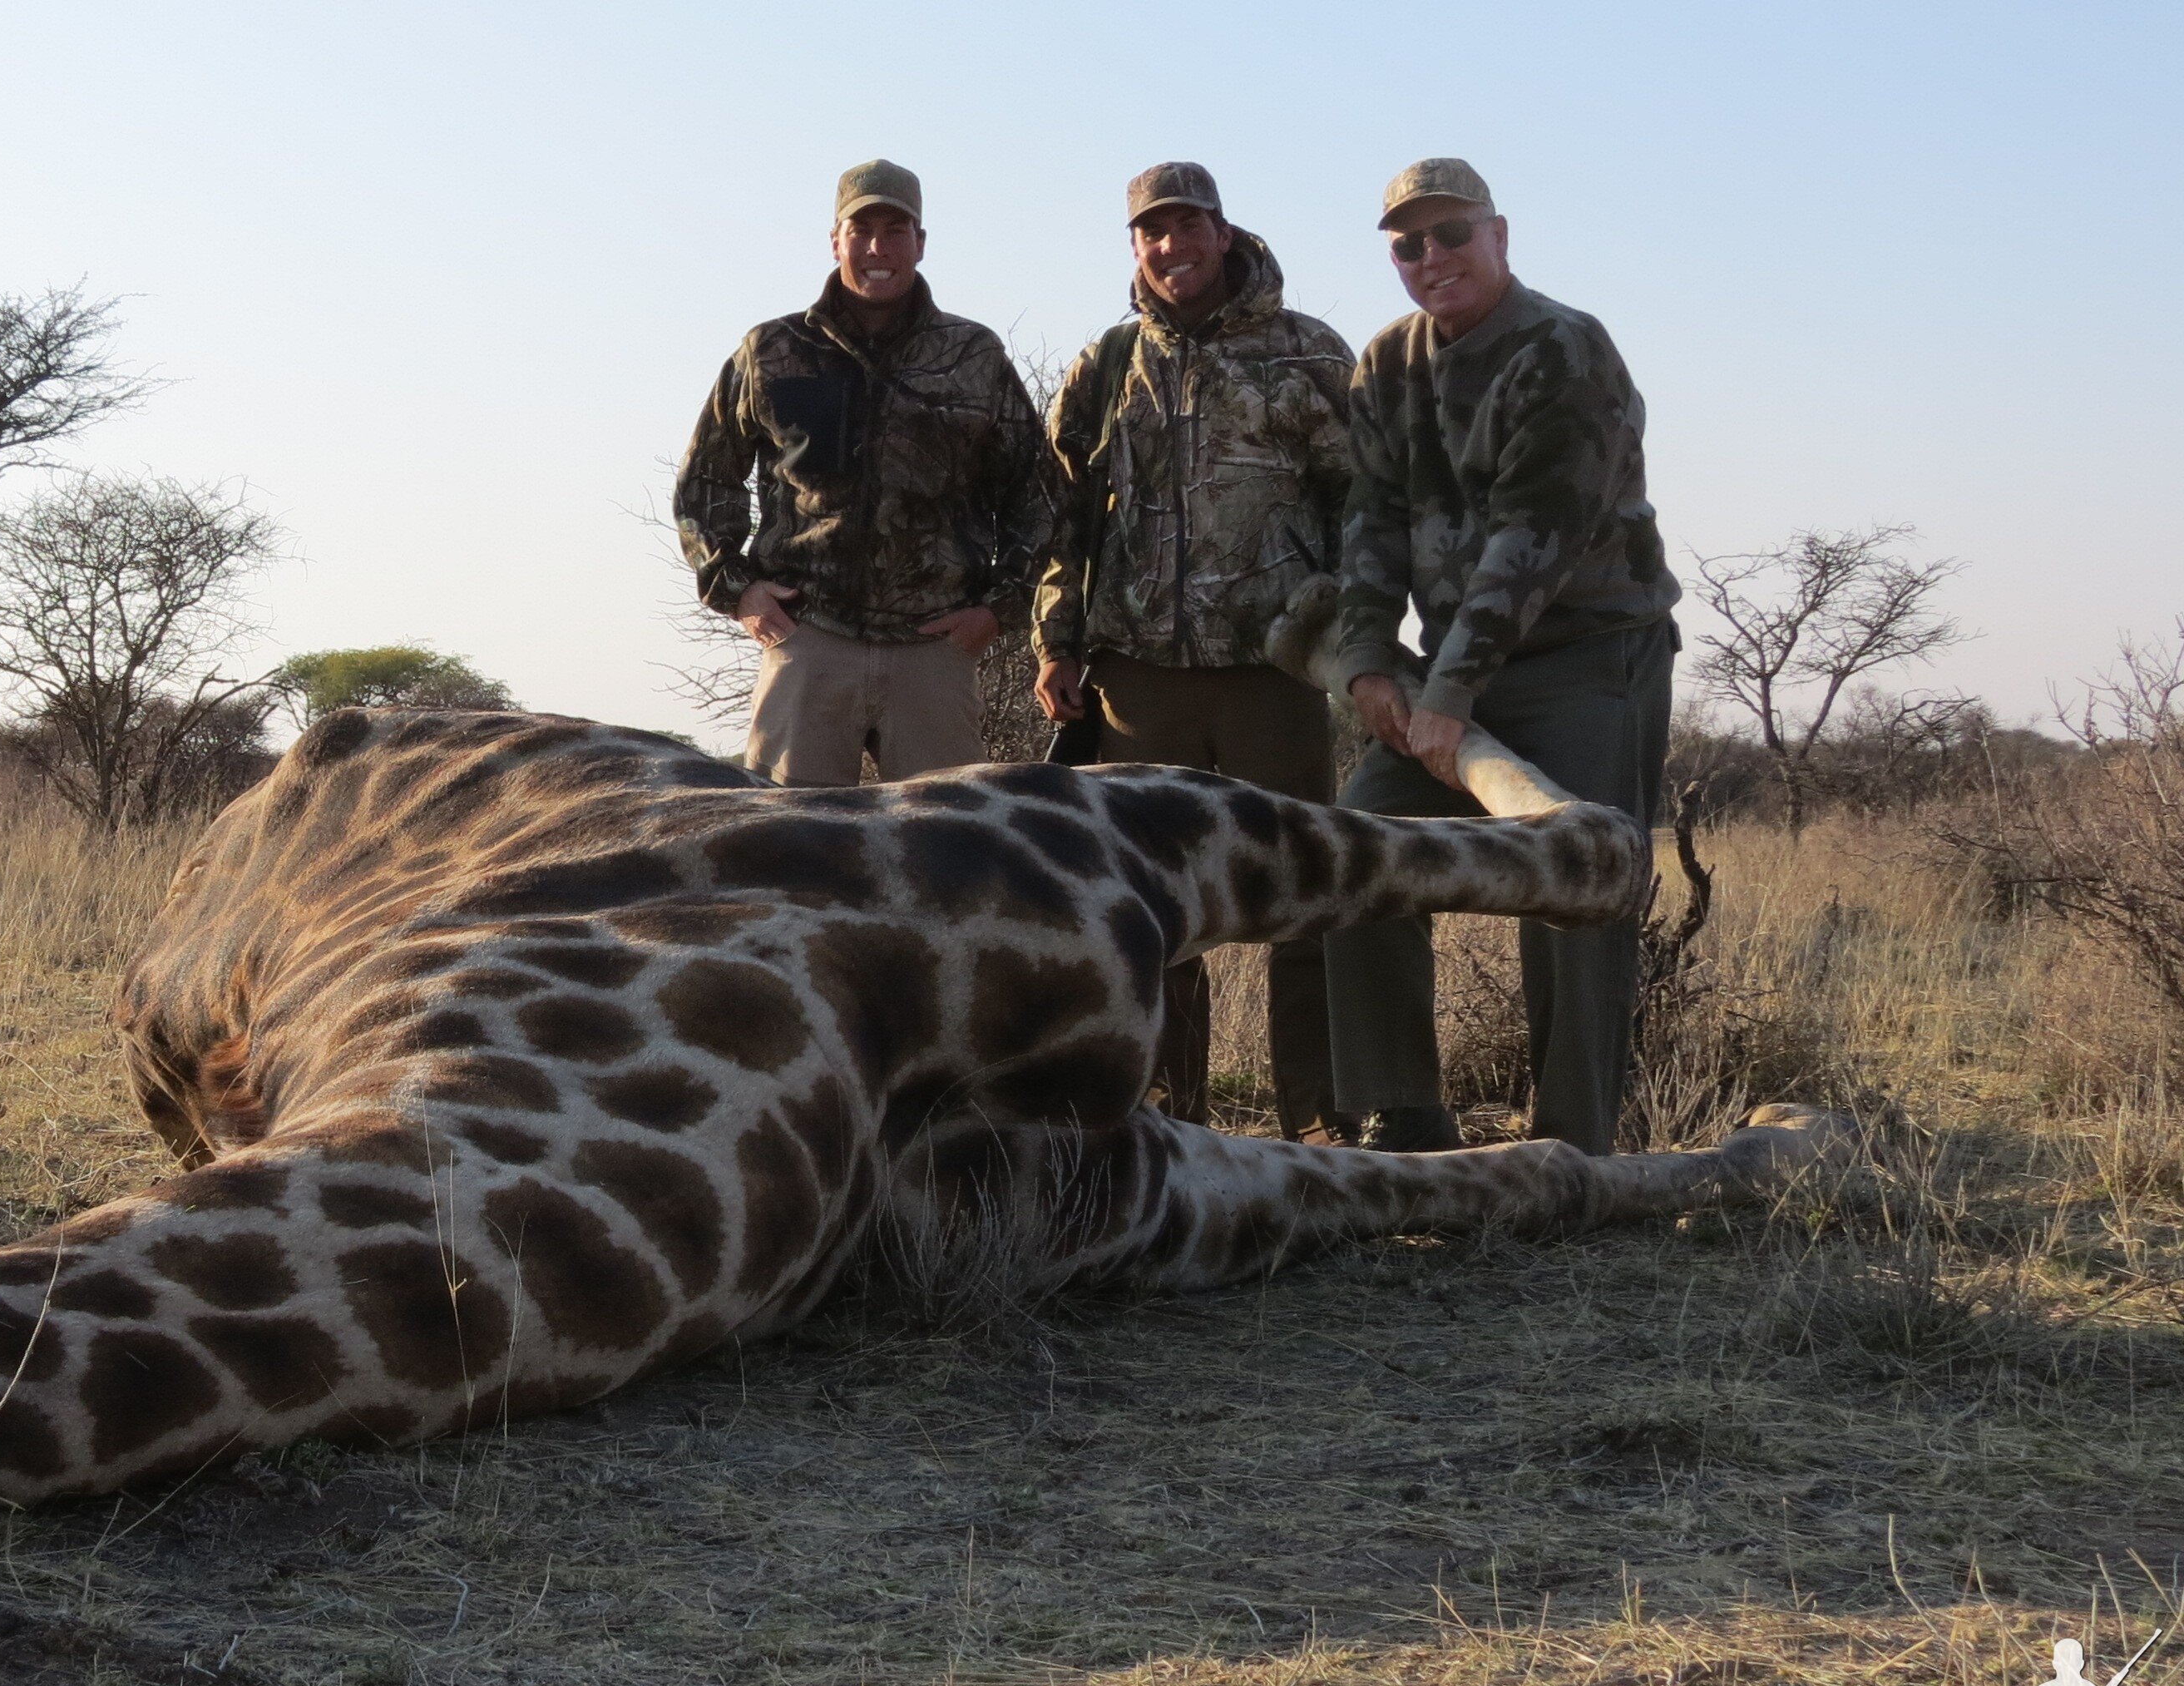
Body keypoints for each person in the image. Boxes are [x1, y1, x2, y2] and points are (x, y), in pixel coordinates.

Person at [1314, 159, 1684, 1155]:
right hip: (1455, 674)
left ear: (1499, 236)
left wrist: (1448, 690)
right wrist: (1365, 663)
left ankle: (1572, 1153)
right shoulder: (1385, 363)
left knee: (1576, 882)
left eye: (1449, 236)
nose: (1429, 259)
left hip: (1589, 658)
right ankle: (1406, 1121)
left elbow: (1534, 541)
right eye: (1407, 245)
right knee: (1361, 842)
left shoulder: (1565, 349)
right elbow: (1371, 521)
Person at [1033, 161, 1356, 1142]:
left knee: (1305, 897)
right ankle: (1171, 1128)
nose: (1170, 246)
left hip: (1276, 673)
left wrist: (1351, 635)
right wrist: (1058, 640)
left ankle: (1322, 1126)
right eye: (1150, 232)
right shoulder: (1108, 361)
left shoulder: (1309, 354)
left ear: (1223, 232)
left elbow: (1367, 506)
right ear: (1134, 247)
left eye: (1187, 227)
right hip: (1141, 680)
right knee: (1154, 915)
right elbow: (1063, 513)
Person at [676, 159, 1053, 784]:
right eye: (861, 230)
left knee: (947, 851)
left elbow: (1035, 494)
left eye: (896, 230)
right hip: (807, 641)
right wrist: (737, 589)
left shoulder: (973, 354)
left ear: (921, 243)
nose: (878, 248)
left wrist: (998, 608)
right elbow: (705, 481)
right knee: (790, 850)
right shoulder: (771, 349)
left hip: (936, 649)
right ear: (835, 240)